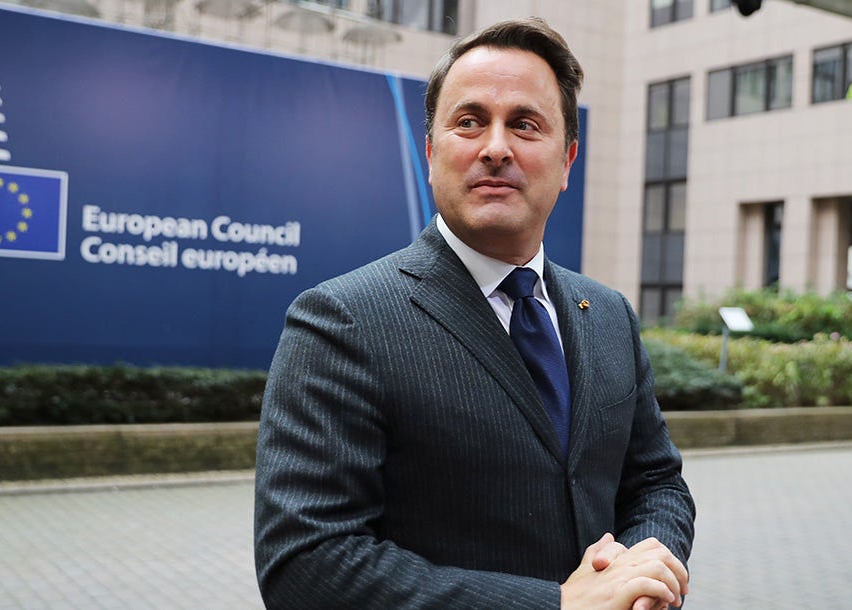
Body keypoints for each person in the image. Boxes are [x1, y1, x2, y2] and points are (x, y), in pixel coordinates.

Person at [254, 17, 695, 610]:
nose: (495, 146)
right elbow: (307, 564)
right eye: (469, 121)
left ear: (567, 160)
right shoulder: (342, 322)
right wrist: (559, 606)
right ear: (432, 153)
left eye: (524, 124)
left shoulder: (608, 314)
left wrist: (635, 575)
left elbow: (657, 482)